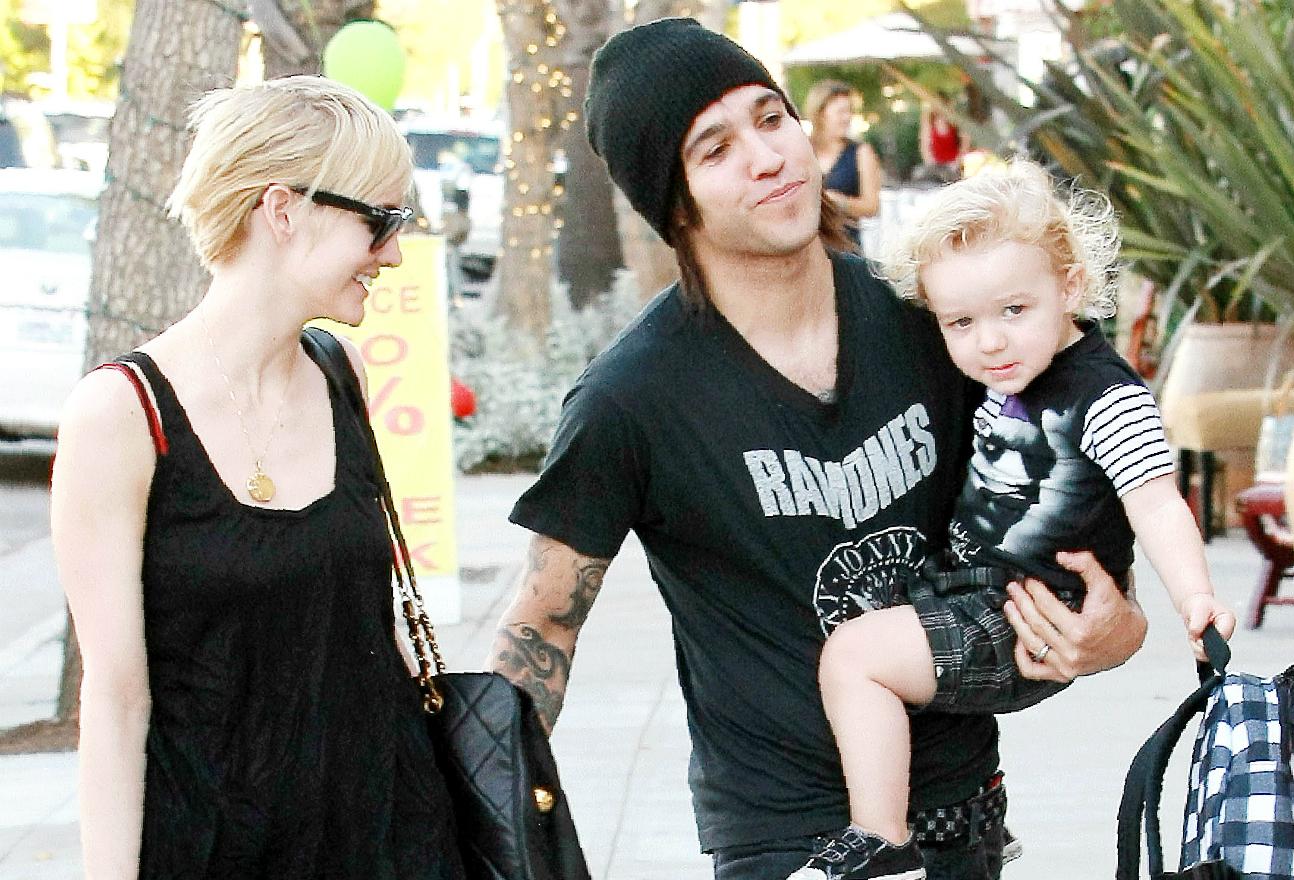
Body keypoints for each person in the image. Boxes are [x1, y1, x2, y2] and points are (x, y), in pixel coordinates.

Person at [487, 18, 1147, 880]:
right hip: (786, 837)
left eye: (771, 117)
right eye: (715, 147)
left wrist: (1114, 626)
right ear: (673, 201)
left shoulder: (931, 321)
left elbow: (1069, 490)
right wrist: (471, 817)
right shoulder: (633, 399)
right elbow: (542, 627)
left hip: (961, 810)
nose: (768, 156)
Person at [50, 76, 463, 879]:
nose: (393, 253)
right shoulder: (122, 414)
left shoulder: (339, 373)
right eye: (379, 222)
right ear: (283, 211)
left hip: (391, 839)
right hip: (214, 848)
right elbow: (114, 698)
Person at [787, 161, 1239, 880]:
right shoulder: (1005, 376)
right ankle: (976, 818)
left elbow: (1155, 500)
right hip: (971, 591)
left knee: (854, 656)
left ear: (1070, 286)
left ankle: (882, 840)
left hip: (1026, 616)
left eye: (1013, 312)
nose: (989, 342)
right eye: (961, 323)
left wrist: (1195, 598)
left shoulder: (1106, 398)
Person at [805, 79, 881, 250]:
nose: (847, 118)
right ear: (821, 114)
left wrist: (837, 201)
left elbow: (872, 206)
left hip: (846, 247)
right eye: (841, 112)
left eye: (850, 111)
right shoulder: (803, 149)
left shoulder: (861, 152)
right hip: (809, 249)